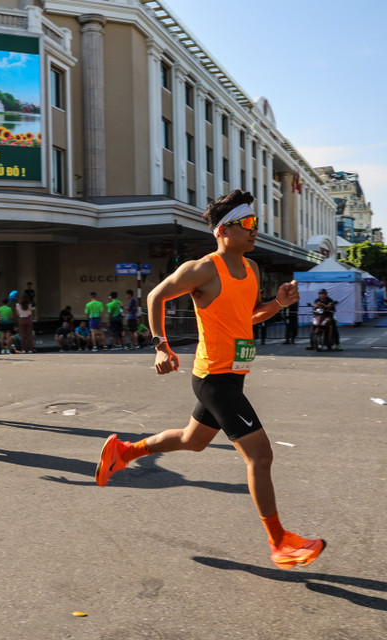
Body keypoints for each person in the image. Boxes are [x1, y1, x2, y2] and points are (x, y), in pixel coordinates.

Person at [94, 189, 325, 570]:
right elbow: (155, 296)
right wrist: (160, 345)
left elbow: (245, 318)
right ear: (223, 230)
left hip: (233, 375)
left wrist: (279, 304)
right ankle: (279, 541)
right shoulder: (202, 268)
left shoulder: (251, 270)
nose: (254, 231)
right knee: (261, 456)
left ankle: (124, 451)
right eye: (247, 224)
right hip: (214, 377)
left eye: (255, 223)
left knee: (193, 440)